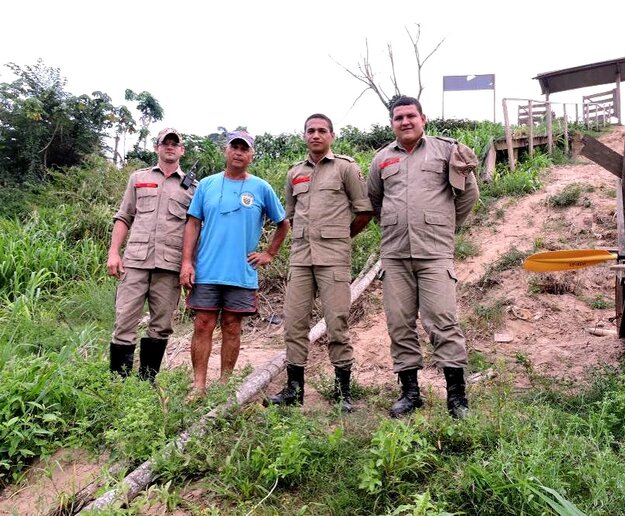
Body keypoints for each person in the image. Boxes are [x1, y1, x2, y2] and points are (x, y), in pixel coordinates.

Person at [366, 96, 479, 419]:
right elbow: (375, 200)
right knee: (399, 324)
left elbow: (469, 194)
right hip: (395, 255)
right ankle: (410, 393)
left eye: (410, 116)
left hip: (434, 254)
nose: (405, 122)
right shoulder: (382, 159)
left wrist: (443, 226)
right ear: (392, 123)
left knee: (443, 321)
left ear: (423, 118)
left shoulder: (446, 151)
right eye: (398, 118)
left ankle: (457, 399)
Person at [264, 114, 373, 413]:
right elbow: (289, 215)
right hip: (300, 259)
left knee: (337, 324)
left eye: (321, 131)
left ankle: (342, 393)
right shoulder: (294, 173)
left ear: (332, 135)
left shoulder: (345, 168)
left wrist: (341, 237)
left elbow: (364, 211)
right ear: (304, 136)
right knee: (294, 325)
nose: (315, 135)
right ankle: (294, 391)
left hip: (333, 259)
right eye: (310, 131)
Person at [181, 130, 289, 397]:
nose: (239, 152)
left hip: (241, 273)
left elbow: (283, 223)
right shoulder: (206, 185)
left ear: (251, 155)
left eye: (245, 148)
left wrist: (269, 254)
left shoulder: (261, 188)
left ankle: (224, 386)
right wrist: (187, 262)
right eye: (234, 147)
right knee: (202, 325)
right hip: (206, 270)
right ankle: (199, 386)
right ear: (225, 151)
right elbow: (193, 223)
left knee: (232, 326)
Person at [107, 127, 196, 382]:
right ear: (156, 147)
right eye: (164, 143)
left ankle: (146, 383)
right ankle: (118, 384)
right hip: (135, 262)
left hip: (170, 267)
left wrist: (190, 265)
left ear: (181, 150)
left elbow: (194, 229)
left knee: (161, 326)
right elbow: (124, 216)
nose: (169, 147)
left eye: (174, 144)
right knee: (124, 322)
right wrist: (114, 253)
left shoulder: (191, 187)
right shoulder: (138, 178)